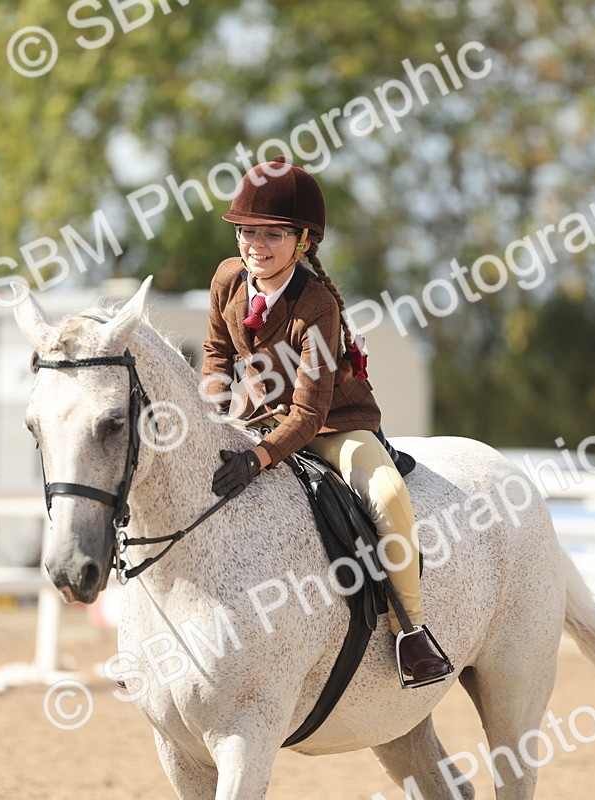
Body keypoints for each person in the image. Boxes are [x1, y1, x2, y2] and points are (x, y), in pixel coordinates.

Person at [201, 156, 452, 687]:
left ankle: (413, 632)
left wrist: (259, 456)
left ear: (303, 243)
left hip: (334, 427)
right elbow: (216, 350)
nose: (255, 245)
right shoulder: (228, 279)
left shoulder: (315, 306)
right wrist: (212, 407)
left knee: (385, 495)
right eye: (247, 231)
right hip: (261, 419)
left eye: (273, 234)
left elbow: (309, 414)